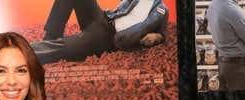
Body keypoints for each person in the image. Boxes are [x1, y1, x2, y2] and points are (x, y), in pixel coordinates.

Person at [31, 0, 169, 65]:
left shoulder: (161, 10)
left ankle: (26, 53)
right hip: (103, 18)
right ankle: (51, 35)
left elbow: (163, 34)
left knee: (68, 46)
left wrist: (157, 36)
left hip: (109, 36)